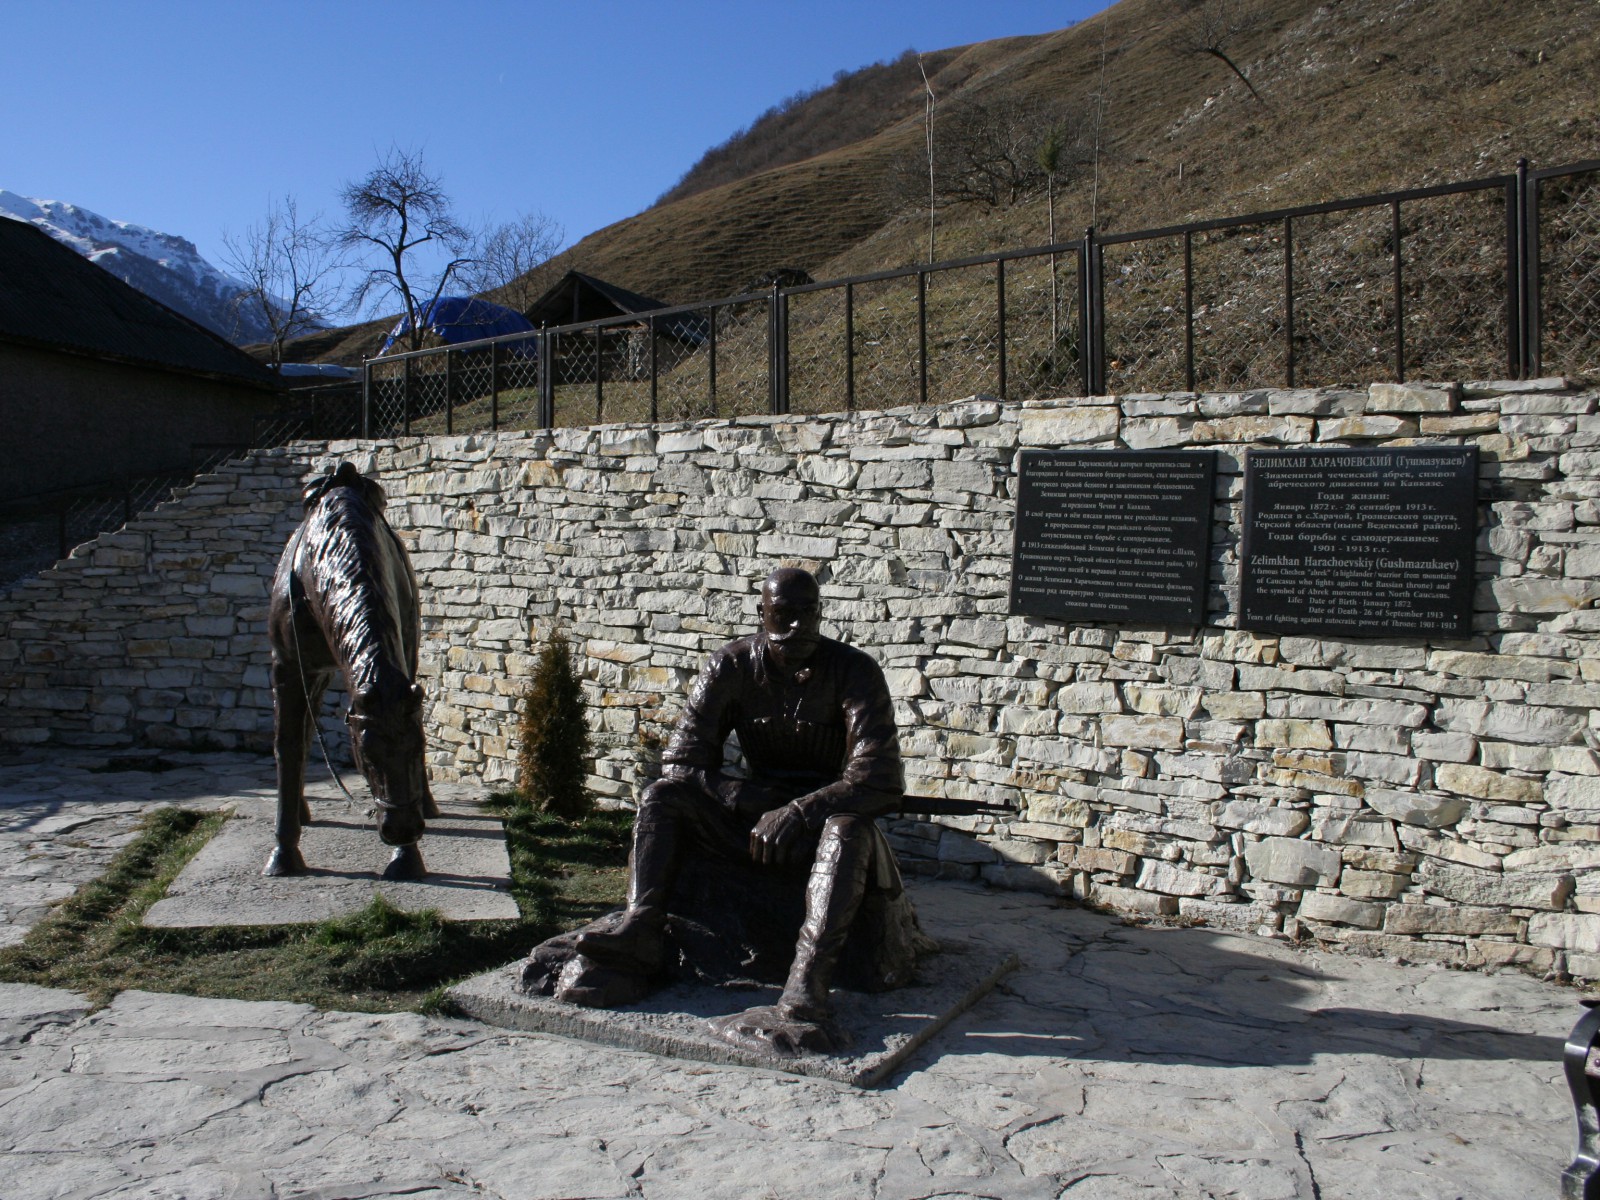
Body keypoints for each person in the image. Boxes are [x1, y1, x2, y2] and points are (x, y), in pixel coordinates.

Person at [527, 566, 923, 1055]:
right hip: (752, 815)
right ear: (762, 614)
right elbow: (681, 762)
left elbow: (880, 777)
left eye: (809, 613)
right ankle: (642, 928)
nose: (798, 626)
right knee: (661, 797)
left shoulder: (855, 671)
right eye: (785, 613)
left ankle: (805, 990)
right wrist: (740, 797)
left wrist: (799, 812)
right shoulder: (730, 666)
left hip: (824, 825)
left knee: (847, 829)